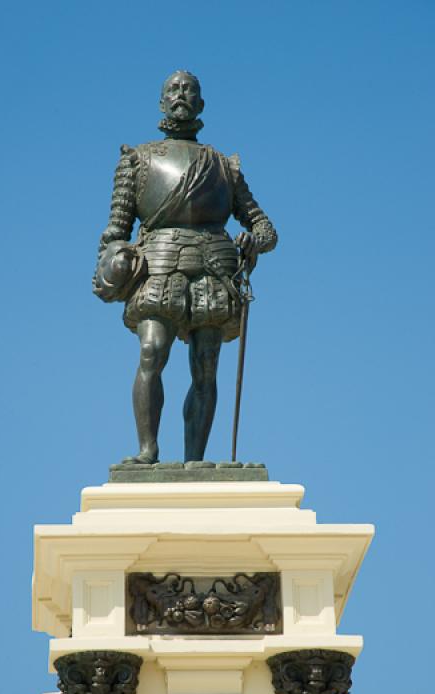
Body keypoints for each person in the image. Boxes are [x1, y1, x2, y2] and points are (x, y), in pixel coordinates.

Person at [94, 70, 277, 463]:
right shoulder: (137, 160)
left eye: (189, 89)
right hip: (159, 263)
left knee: (206, 368)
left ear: (201, 102)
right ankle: (148, 450)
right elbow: (116, 228)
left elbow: (263, 226)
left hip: (213, 267)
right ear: (162, 102)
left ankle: (195, 459)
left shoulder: (224, 166)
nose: (181, 94)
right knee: (151, 351)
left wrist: (253, 242)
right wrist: (116, 256)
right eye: (173, 89)